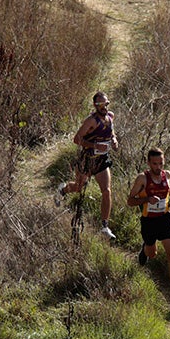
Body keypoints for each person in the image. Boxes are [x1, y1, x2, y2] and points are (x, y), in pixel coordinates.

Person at [55, 91, 119, 240]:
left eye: (106, 104)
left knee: (107, 191)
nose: (104, 107)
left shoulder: (110, 116)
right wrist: (94, 144)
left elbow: (112, 132)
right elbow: (76, 139)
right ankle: (62, 190)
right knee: (79, 187)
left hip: (102, 159)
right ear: (95, 105)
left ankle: (104, 226)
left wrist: (114, 140)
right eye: (101, 104)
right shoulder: (91, 121)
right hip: (87, 159)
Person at [127, 147, 170, 305]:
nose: (158, 166)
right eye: (154, 163)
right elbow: (130, 201)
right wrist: (147, 200)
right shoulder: (142, 179)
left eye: (161, 163)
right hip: (149, 221)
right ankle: (145, 249)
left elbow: (168, 190)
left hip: (165, 218)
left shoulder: (166, 175)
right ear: (148, 163)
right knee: (152, 254)